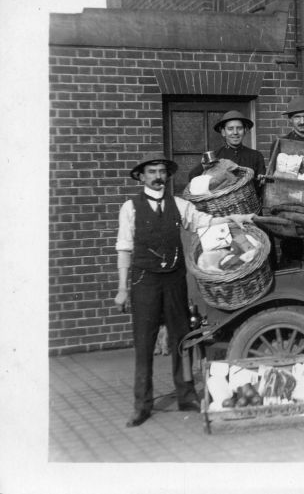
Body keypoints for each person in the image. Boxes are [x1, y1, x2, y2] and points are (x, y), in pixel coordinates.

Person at [114, 153, 254, 427]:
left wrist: (236, 217)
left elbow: (206, 221)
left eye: (161, 172)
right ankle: (142, 405)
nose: (157, 176)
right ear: (142, 177)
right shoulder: (130, 208)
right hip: (144, 282)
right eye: (152, 172)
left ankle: (185, 394)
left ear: (167, 176)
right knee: (144, 343)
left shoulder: (179, 205)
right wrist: (122, 289)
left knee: (181, 338)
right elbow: (124, 248)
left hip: (175, 280)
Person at [188, 110, 267, 195]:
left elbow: (262, 185)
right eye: (230, 129)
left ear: (245, 131)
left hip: (249, 205)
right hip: (222, 206)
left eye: (239, 128)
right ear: (223, 132)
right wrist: (205, 167)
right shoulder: (215, 156)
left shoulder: (256, 155)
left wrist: (262, 180)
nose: (235, 132)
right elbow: (192, 176)